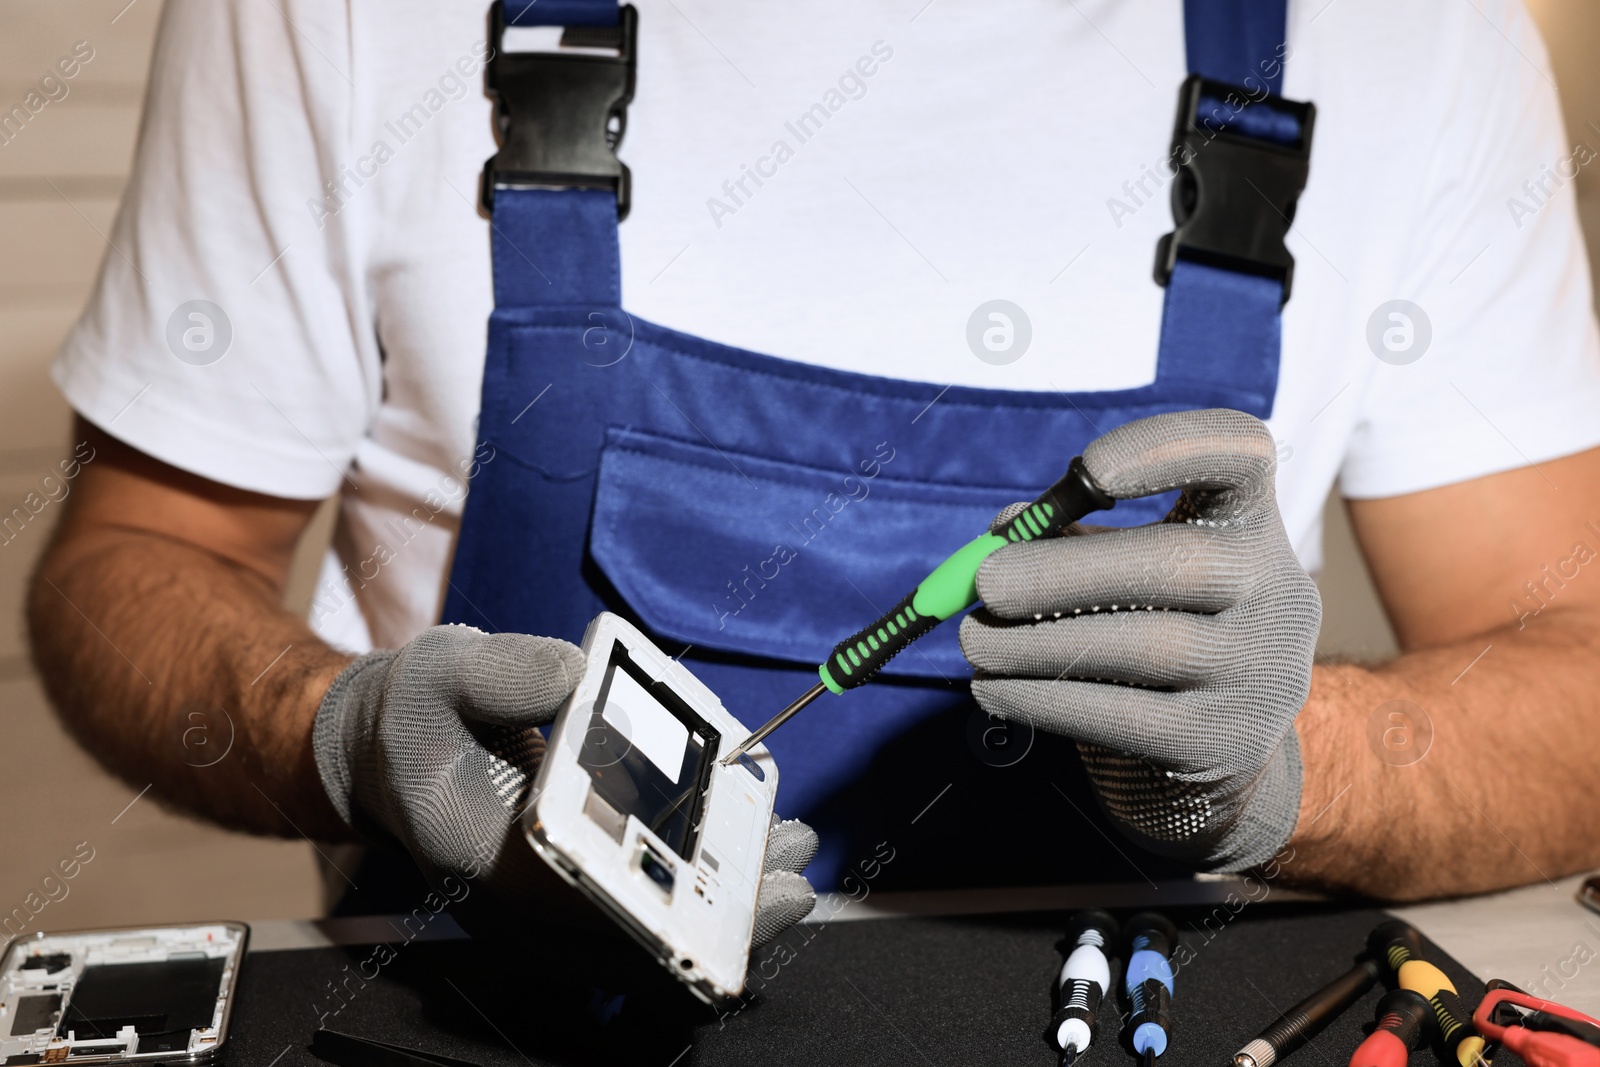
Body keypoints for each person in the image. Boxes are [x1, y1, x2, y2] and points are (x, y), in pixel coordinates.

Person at [27, 0, 1600, 922]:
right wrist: (341, 737)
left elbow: (1580, 684)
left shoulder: (1412, 34)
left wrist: (1287, 764)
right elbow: (129, 566)